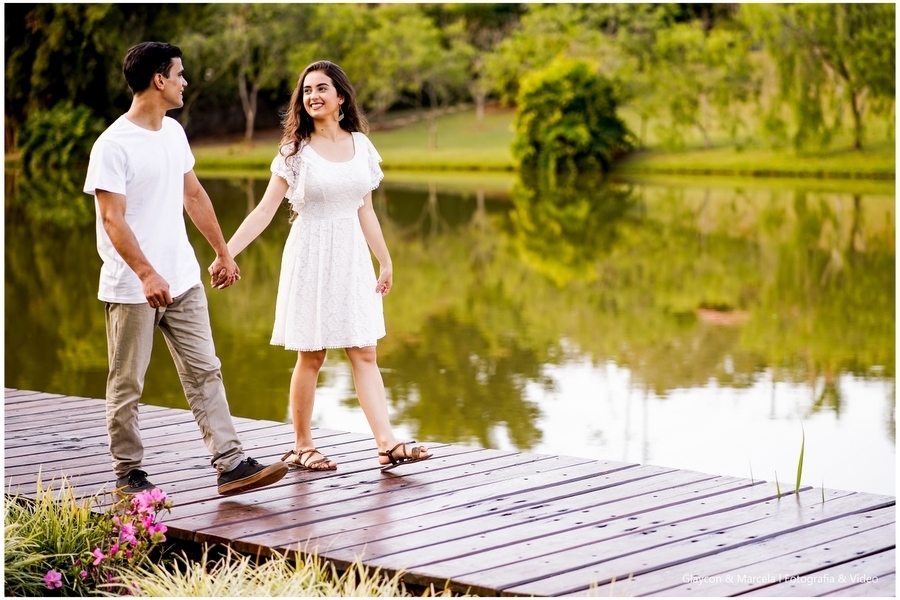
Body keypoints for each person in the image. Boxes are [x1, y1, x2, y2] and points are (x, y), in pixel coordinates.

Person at [83, 41, 289, 496]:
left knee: (206, 370)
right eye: (179, 74)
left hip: (184, 278)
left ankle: (231, 463)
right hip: (132, 286)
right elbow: (112, 220)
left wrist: (222, 252)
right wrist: (146, 273)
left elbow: (193, 195)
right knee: (127, 382)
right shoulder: (112, 145)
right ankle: (128, 473)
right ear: (159, 79)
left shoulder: (174, 134)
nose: (185, 82)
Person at [219, 60, 431, 472]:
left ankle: (387, 443)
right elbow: (264, 211)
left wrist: (385, 261)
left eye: (321, 88)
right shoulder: (294, 153)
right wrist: (227, 252)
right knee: (311, 355)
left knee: (365, 351)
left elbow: (365, 209)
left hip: (352, 257)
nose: (312, 95)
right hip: (310, 255)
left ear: (341, 97)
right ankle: (301, 445)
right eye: (306, 90)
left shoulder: (362, 146)